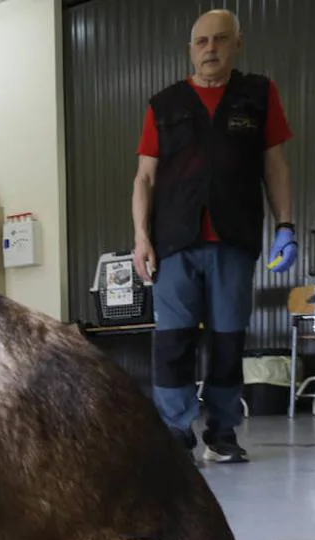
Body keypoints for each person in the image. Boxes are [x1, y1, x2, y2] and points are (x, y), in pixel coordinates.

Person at [131, 9, 296, 464]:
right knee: (173, 343)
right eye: (201, 41)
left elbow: (275, 166)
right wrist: (141, 238)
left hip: (233, 239)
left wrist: (286, 225)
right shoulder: (163, 105)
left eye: (220, 40)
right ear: (190, 49)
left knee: (228, 341)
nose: (210, 48)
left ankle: (222, 433)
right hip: (174, 243)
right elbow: (145, 178)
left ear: (236, 44)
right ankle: (175, 432)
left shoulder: (258, 95)